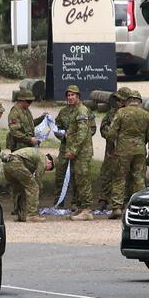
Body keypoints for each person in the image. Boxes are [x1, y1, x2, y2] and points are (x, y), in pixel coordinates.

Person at [105, 90, 149, 219]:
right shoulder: (146, 115)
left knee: (119, 178)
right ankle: (139, 207)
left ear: (128, 100)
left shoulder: (121, 112)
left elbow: (111, 134)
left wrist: (110, 149)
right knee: (139, 178)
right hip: (139, 151)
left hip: (122, 150)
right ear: (139, 101)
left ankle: (117, 207)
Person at [64, 85, 96, 221]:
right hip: (77, 152)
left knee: (83, 180)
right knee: (78, 180)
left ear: (78, 96)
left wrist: (73, 150)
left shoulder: (82, 110)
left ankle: (87, 210)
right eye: (68, 95)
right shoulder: (73, 110)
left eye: (73, 95)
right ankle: (81, 207)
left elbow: (83, 133)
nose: (70, 97)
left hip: (82, 153)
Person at [98, 87, 132, 211]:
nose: (118, 102)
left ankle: (122, 201)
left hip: (125, 150)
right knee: (106, 173)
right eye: (117, 100)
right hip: (111, 150)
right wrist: (109, 133)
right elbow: (103, 127)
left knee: (125, 175)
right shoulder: (112, 112)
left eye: (120, 100)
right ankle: (103, 199)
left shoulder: (132, 113)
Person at [1, 148, 55, 222]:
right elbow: (37, 178)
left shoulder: (36, 156)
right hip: (16, 163)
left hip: (7, 164)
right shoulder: (43, 160)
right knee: (33, 187)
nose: (47, 170)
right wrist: (39, 187)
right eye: (49, 169)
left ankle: (21, 215)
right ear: (50, 162)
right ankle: (32, 215)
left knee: (20, 189)